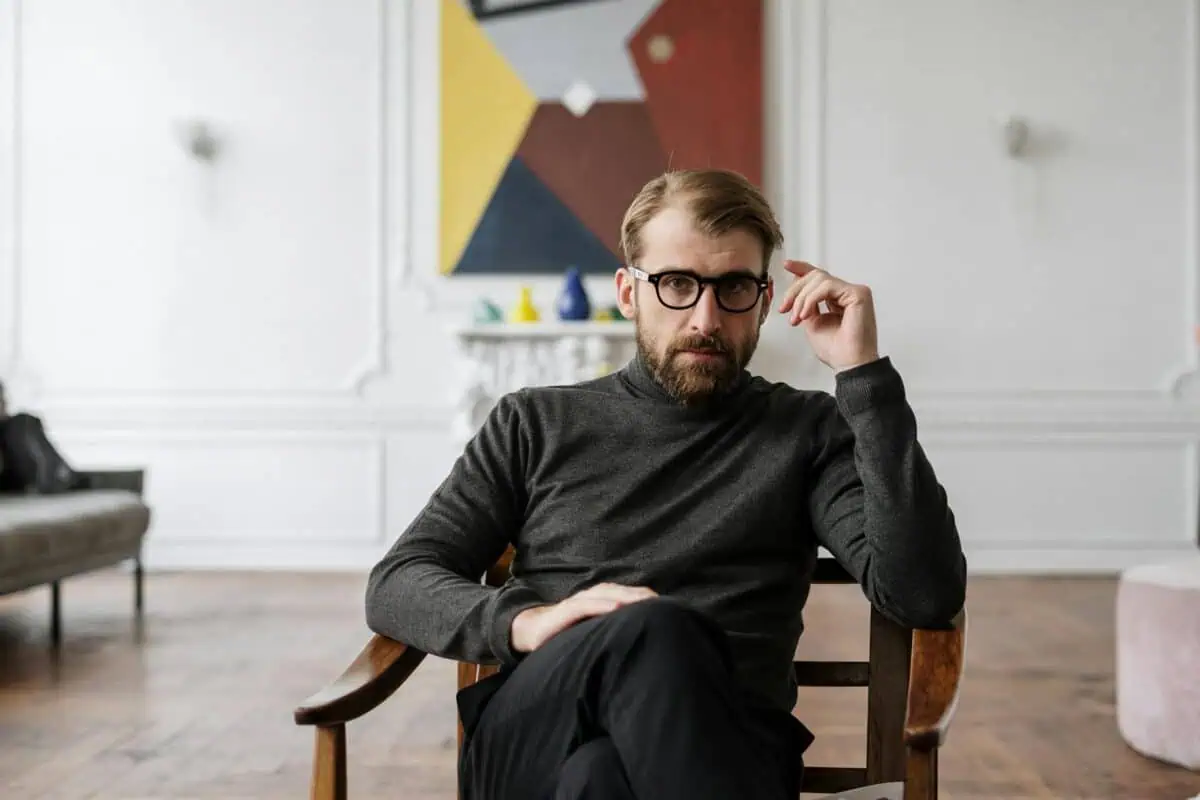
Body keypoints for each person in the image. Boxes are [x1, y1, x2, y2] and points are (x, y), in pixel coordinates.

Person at [365, 168, 967, 800]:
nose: (705, 317)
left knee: (599, 777)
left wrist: (863, 375)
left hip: (729, 744)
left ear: (765, 301)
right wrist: (529, 622)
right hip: (539, 727)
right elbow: (398, 582)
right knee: (655, 629)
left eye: (733, 287)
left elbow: (922, 594)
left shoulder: (807, 431)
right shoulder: (534, 422)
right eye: (677, 284)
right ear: (629, 292)